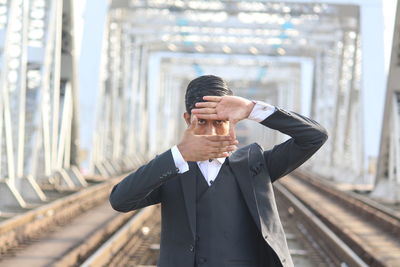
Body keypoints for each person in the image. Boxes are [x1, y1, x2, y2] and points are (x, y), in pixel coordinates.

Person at [109, 75, 328, 267]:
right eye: (202, 122)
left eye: (220, 122)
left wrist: (252, 110)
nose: (212, 132)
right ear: (187, 120)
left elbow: (314, 136)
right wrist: (179, 154)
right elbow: (120, 200)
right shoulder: (172, 167)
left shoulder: (257, 165)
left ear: (232, 122)